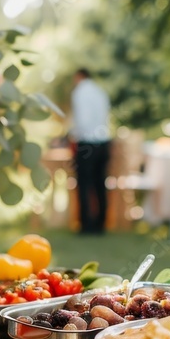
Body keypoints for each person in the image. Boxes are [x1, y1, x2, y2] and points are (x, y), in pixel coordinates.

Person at [70, 68, 112, 235]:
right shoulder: (100, 92)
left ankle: (86, 224)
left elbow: (82, 121)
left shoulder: (80, 92)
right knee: (100, 184)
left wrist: (72, 135)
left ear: (79, 76)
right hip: (103, 142)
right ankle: (101, 222)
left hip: (87, 142)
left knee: (84, 185)